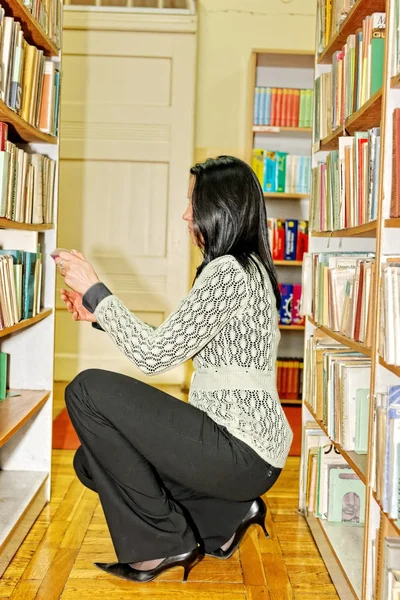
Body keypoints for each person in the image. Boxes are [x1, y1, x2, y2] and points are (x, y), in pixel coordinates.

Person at [57, 155, 293, 584]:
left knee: (86, 390)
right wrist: (99, 316)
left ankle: (164, 543)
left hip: (239, 451)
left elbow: (154, 356)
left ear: (222, 207)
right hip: (247, 456)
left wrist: (94, 288)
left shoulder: (228, 273)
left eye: (194, 202)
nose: (186, 213)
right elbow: (171, 342)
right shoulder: (249, 268)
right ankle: (223, 516)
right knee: (93, 463)